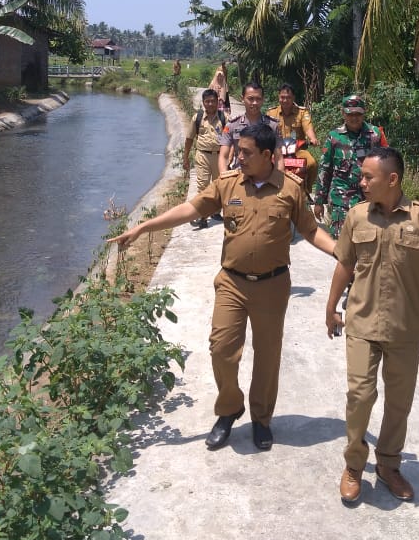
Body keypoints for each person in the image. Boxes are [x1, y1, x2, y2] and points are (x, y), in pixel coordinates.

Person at [108, 123, 337, 451]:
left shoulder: (290, 189)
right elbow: (191, 209)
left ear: (267, 156)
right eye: (238, 151)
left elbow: (312, 231)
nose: (237, 157)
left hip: (272, 285)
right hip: (232, 282)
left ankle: (261, 418)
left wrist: (339, 251)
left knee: (268, 356)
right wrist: (144, 227)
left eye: (246, 152)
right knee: (221, 350)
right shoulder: (228, 184)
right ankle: (230, 408)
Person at [325, 146, 419, 505]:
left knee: (399, 403)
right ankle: (354, 465)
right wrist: (330, 308)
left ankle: (389, 465)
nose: (361, 182)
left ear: (392, 179)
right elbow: (344, 264)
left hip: (404, 328)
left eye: (367, 177)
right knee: (360, 396)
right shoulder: (356, 217)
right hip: (361, 321)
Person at [313, 94, 388, 238]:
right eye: (350, 114)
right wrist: (319, 201)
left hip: (370, 200)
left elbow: (386, 165)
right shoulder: (334, 137)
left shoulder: (375, 134)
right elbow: (325, 169)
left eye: (358, 114)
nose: (354, 118)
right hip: (341, 201)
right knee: (341, 246)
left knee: (369, 243)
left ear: (364, 112)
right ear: (343, 113)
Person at [218, 81, 282, 174]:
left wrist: (278, 181)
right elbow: (223, 156)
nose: (255, 103)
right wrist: (224, 180)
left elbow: (279, 157)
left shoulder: (272, 125)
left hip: (265, 177)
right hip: (240, 176)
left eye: (258, 99)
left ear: (263, 100)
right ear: (242, 99)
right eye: (250, 99)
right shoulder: (232, 125)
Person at [183, 88, 225, 229]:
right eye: (207, 101)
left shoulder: (224, 118)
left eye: (213, 101)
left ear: (217, 102)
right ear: (203, 103)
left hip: (219, 157)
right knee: (202, 186)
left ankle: (215, 212)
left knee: (219, 185)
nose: (210, 104)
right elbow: (189, 139)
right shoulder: (198, 118)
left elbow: (230, 139)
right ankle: (202, 216)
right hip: (202, 155)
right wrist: (185, 158)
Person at [267, 82, 319, 193]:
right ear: (278, 97)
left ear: (293, 98)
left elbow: (308, 126)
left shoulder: (302, 112)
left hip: (297, 150)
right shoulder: (271, 112)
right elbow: (266, 130)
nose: (285, 100)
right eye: (282, 97)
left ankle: (307, 190)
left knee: (312, 163)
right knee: (264, 163)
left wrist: (312, 138)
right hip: (277, 150)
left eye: (288, 97)